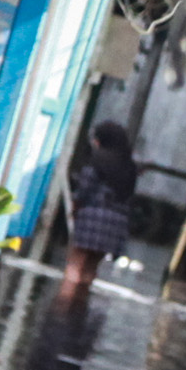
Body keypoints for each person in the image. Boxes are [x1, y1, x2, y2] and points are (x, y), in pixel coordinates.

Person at [59, 118, 138, 304]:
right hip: (116, 222)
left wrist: (74, 209)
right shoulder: (130, 166)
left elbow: (84, 190)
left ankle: (63, 305)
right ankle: (80, 304)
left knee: (75, 263)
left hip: (92, 216)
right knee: (91, 267)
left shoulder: (96, 160)